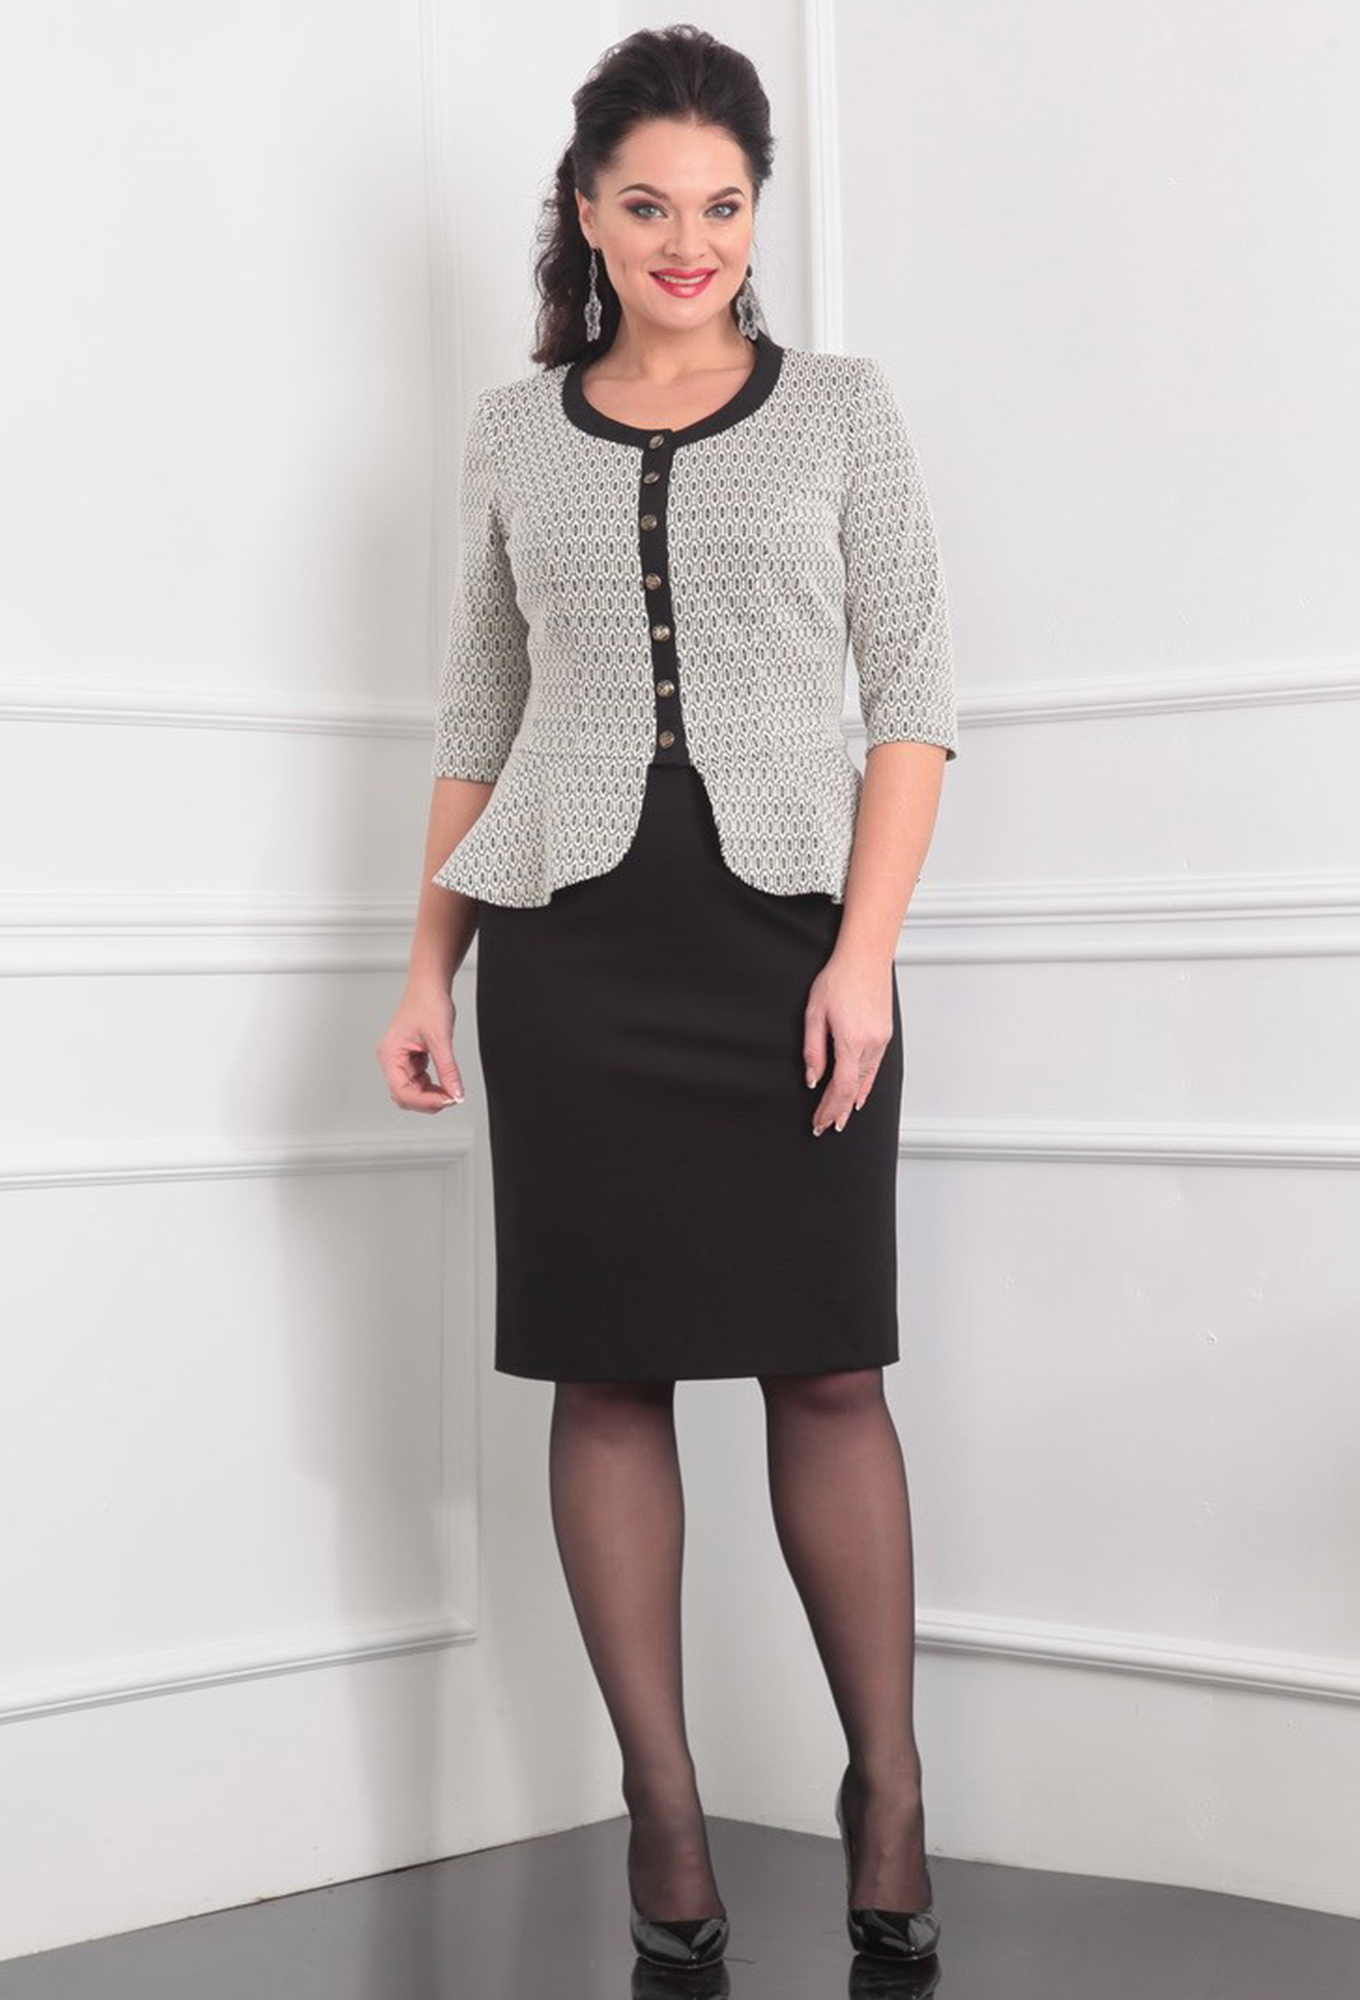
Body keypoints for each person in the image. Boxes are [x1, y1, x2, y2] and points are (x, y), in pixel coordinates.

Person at [377, 24, 956, 1973]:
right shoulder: (511, 430)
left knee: (828, 1367)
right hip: (571, 953)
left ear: (755, 212)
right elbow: (479, 714)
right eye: (648, 204)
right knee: (607, 1372)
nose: (687, 240)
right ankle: (667, 1816)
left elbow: (914, 697)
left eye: (720, 205)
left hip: (792, 944)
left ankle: (888, 1790)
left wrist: (863, 957)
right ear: (588, 210)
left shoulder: (842, 411)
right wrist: (425, 962)